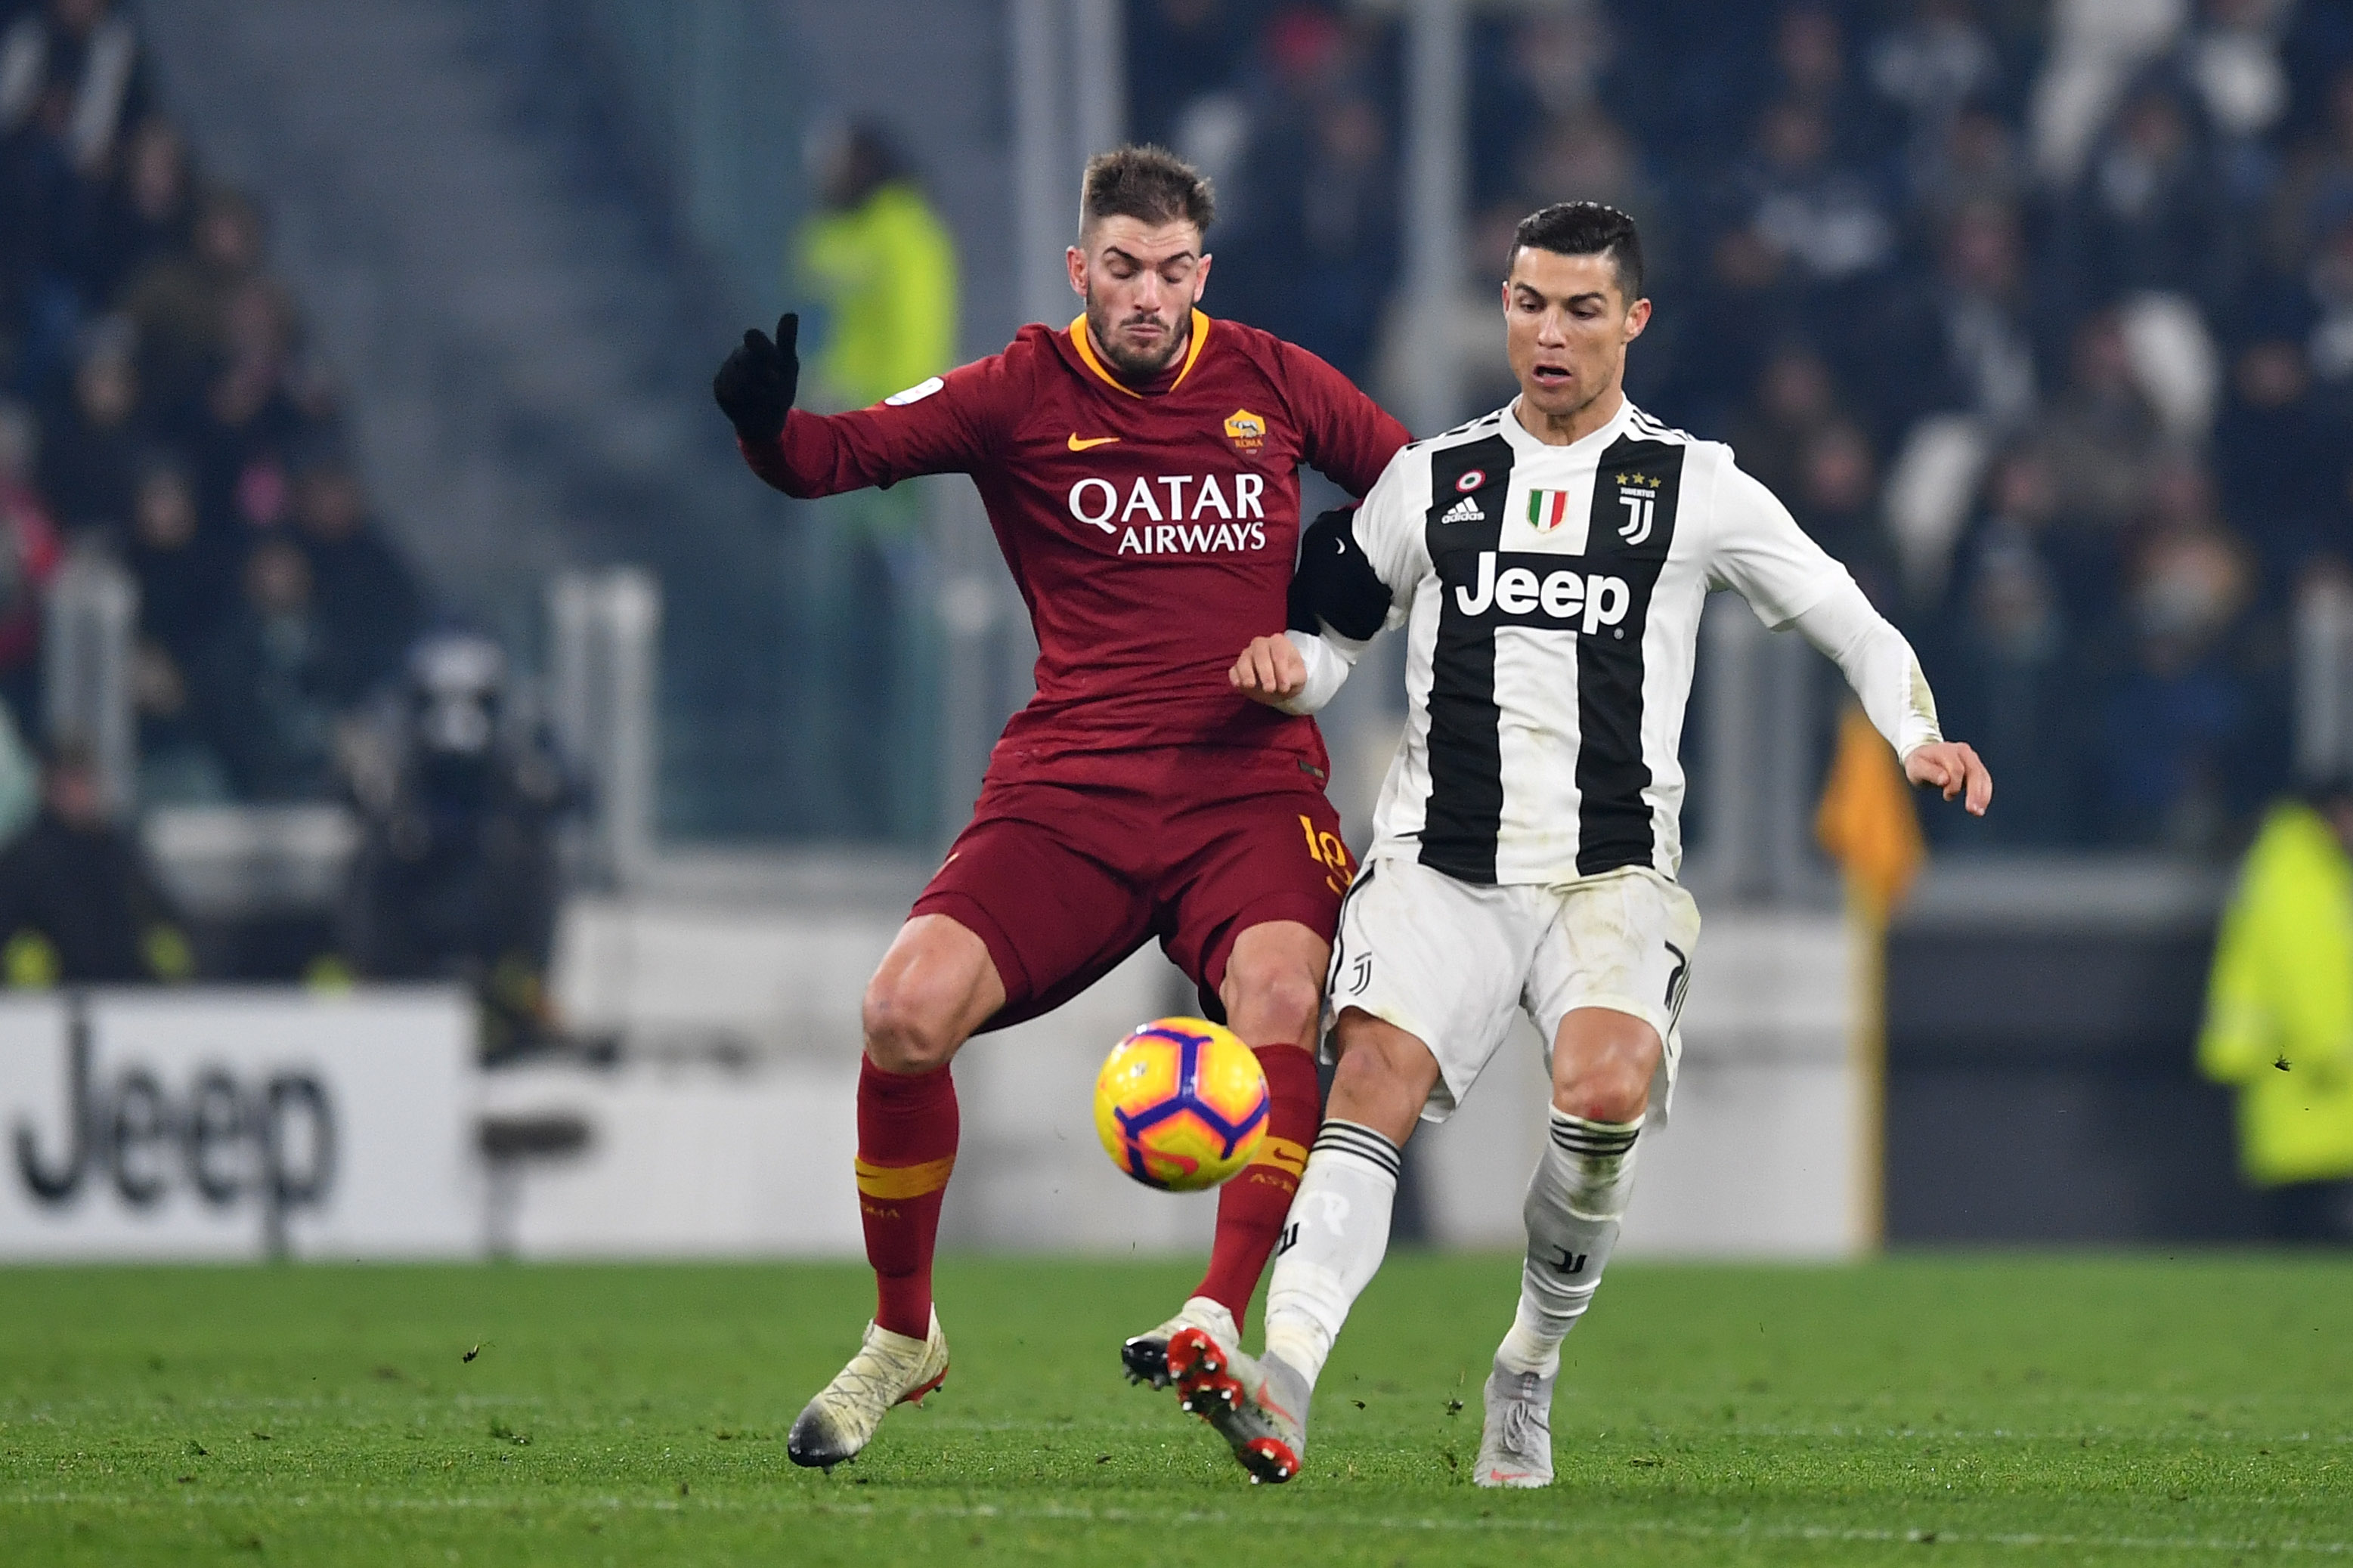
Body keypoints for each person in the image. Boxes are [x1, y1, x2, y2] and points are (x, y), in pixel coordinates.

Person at [1171, 202, 1992, 1486]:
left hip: (1605, 877)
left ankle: (1528, 1367)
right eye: (1525, 303)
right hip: (1439, 866)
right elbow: (1335, 639)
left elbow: (1844, 613)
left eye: (1578, 310)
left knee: (1601, 1097)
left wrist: (1911, 734)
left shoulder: (1691, 486)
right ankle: (1279, 1388)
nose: (1546, 334)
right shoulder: (1432, 477)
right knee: (1369, 1085)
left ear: (1632, 323)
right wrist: (1293, 669)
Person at [711, 144, 1411, 1471]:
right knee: (901, 1016)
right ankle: (902, 1336)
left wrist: (1332, 617)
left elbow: (1420, 493)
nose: (1146, 295)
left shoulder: (1271, 380)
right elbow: (830, 459)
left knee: (1279, 995)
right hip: (1070, 787)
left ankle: (1216, 1314)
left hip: (1247, 785)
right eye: (1122, 269)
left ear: (1199, 274)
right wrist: (763, 426)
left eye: (1171, 272)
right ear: (1078, 268)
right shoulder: (1017, 390)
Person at [2198, 773, 2353, 1242]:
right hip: (2310, 1089)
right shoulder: (2297, 873)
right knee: (2312, 1241)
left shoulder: (2299, 866)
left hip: (2298, 1088)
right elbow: (2304, 975)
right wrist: (2338, 1051)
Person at [0, 739, 193, 985]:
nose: (78, 791)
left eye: (84, 780)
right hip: (50, 1005)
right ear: (48, 786)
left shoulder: (118, 853)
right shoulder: (24, 861)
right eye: (68, 781)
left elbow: (160, 919)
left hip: (127, 997)